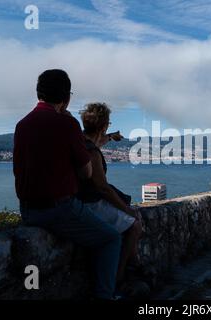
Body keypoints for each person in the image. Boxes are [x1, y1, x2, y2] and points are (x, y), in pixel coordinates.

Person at [13, 69, 122, 300]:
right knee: (111, 238)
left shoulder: (22, 125)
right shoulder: (67, 124)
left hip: (27, 210)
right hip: (58, 209)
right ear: (67, 98)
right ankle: (105, 296)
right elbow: (86, 173)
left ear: (38, 93)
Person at [77, 102, 143, 286]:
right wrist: (127, 210)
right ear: (104, 125)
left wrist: (111, 137)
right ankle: (120, 274)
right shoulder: (91, 153)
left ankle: (132, 266)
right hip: (90, 203)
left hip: (81, 199)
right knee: (135, 225)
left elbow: (98, 140)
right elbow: (102, 188)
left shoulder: (81, 140)